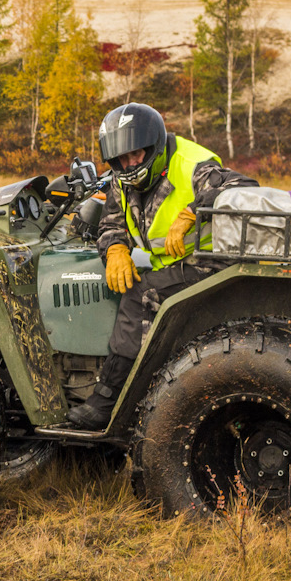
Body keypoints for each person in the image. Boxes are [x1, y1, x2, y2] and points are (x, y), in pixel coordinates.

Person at [71, 103, 258, 429]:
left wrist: (192, 212)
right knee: (128, 281)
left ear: (154, 146)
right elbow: (111, 223)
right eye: (120, 159)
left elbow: (242, 187)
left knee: (140, 295)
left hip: (214, 263)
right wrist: (115, 250)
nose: (128, 164)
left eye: (136, 155)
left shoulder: (192, 162)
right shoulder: (121, 178)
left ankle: (106, 401)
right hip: (175, 265)